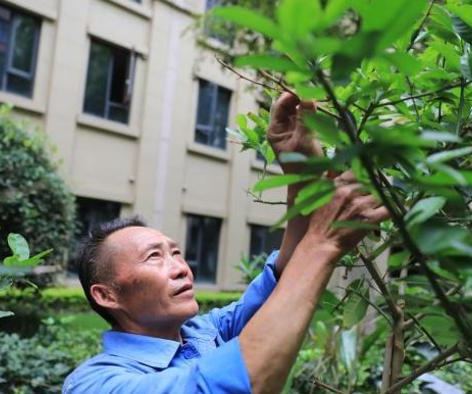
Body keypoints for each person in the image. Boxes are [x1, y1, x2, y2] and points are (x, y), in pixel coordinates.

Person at [62, 93, 390, 394]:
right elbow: (239, 383)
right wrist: (323, 243)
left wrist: (302, 173)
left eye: (176, 252)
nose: (180, 268)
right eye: (153, 258)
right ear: (107, 295)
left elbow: (283, 287)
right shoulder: (95, 384)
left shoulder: (205, 333)